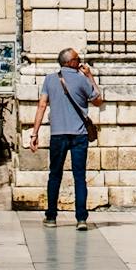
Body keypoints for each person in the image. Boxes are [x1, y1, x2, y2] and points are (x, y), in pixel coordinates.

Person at [29, 47, 101, 230]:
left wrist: (35, 133)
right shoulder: (82, 79)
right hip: (79, 135)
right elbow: (98, 100)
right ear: (70, 62)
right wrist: (90, 76)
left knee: (54, 175)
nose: (80, 62)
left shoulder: (50, 79)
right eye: (77, 59)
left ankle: (51, 217)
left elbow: (42, 105)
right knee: (79, 177)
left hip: (58, 135)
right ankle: (81, 219)